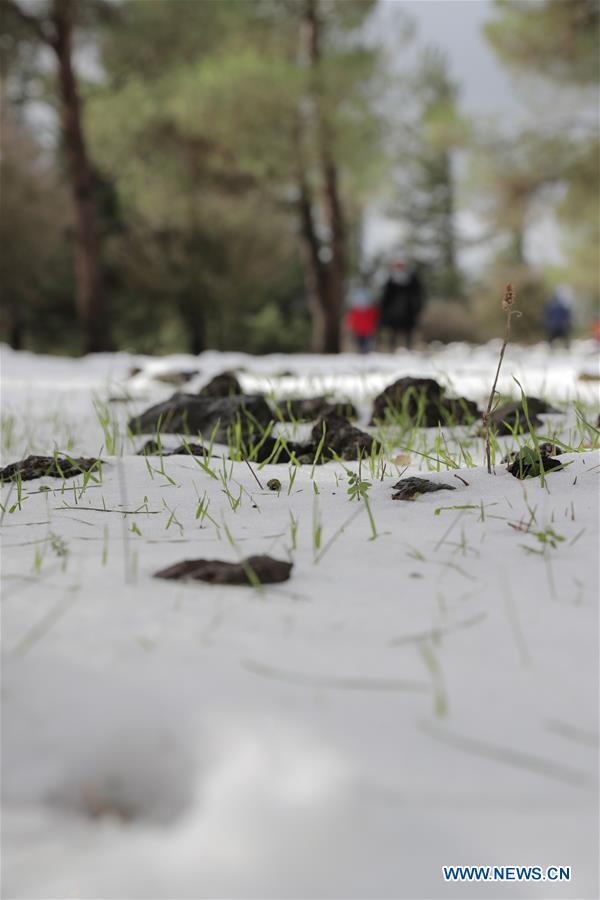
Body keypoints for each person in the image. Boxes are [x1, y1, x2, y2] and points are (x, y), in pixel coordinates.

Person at [379, 258, 425, 350]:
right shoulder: (391, 279)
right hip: (393, 311)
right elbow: (386, 296)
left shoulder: (413, 277)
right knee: (393, 330)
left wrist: (416, 306)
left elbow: (418, 293)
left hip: (409, 310)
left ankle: (409, 347)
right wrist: (383, 309)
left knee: (409, 330)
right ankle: (392, 348)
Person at [345, 280, 379, 354]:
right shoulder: (355, 311)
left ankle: (365, 353)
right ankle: (362, 353)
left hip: (368, 332)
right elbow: (352, 320)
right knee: (360, 345)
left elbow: (375, 319)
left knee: (366, 345)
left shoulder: (370, 311)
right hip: (359, 331)